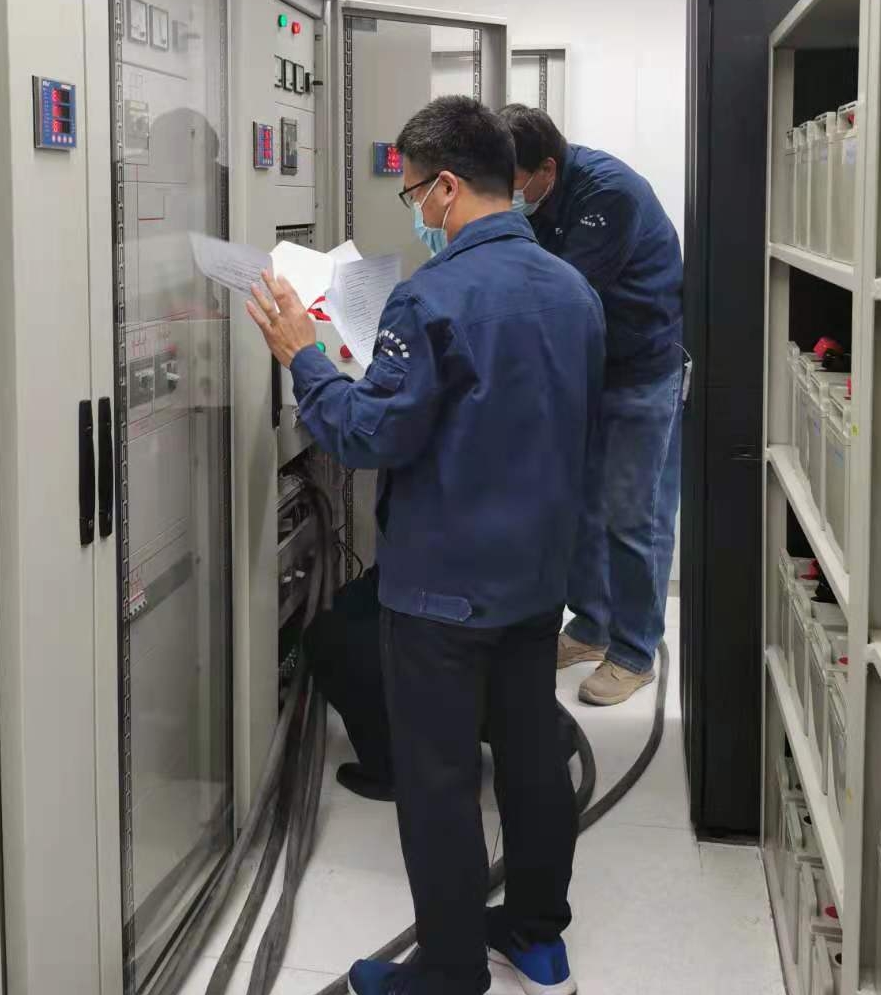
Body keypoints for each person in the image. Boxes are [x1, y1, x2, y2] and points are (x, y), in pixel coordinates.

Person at [247, 97, 604, 995]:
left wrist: (304, 357)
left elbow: (370, 436)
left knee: (439, 780)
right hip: (535, 579)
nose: (416, 210)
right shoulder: (572, 290)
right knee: (529, 759)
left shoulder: (432, 296)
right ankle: (537, 937)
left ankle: (448, 972)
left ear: (446, 186)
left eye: (413, 193)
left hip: (442, 591)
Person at [500, 104, 685, 708]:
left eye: (513, 182)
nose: (507, 194)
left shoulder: (610, 194)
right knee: (581, 504)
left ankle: (634, 651)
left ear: (547, 170)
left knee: (633, 513)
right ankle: (591, 625)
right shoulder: (542, 195)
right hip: (590, 370)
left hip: (641, 370)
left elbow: (558, 296)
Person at [304, 564, 582, 804]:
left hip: (447, 593)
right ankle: (537, 735)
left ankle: (393, 770)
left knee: (333, 635)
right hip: (524, 585)